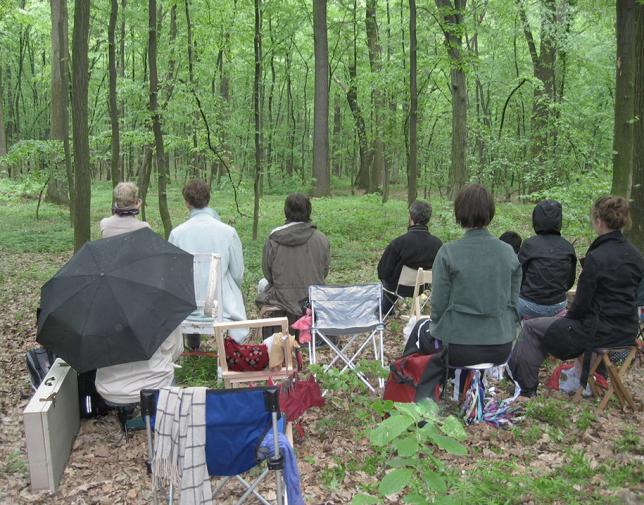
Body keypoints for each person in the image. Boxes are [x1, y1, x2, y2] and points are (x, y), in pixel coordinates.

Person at [509, 196, 644, 397]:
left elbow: (581, 304)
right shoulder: (636, 256)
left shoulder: (597, 257)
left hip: (596, 333)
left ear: (598, 221)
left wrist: (565, 322)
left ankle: (526, 389)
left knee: (530, 328)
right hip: (627, 334)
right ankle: (592, 375)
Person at [95, 182, 183, 405]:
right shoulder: (144, 229)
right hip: (155, 383)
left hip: (108, 389)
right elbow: (174, 347)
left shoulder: (105, 225)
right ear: (138, 202)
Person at [428, 184, 521, 367]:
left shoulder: (448, 252)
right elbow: (513, 302)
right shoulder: (508, 252)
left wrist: (438, 326)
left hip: (457, 346)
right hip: (501, 346)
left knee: (420, 335)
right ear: (490, 212)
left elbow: (438, 305)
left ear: (459, 212)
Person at [169, 179, 248, 343]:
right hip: (222, 307)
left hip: (187, 308)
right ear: (208, 199)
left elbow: (172, 276)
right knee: (229, 284)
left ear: (187, 203)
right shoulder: (228, 232)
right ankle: (229, 349)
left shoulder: (177, 234)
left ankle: (193, 345)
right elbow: (238, 274)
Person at [256, 193, 330, 322]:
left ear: (286, 211)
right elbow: (324, 272)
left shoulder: (273, 238)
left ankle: (272, 329)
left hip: (281, 297)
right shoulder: (321, 238)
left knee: (262, 284)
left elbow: (268, 274)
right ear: (309, 210)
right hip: (312, 296)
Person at [378, 200, 443, 314]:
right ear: (428, 219)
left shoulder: (399, 243)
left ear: (411, 217)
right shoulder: (438, 244)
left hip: (400, 288)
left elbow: (382, 272)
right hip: (423, 287)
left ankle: (386, 310)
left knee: (387, 280)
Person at [516, 200, 577, 318]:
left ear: (535, 220)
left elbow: (518, 277)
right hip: (558, 306)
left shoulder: (529, 244)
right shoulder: (568, 247)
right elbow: (570, 281)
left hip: (529, 305)